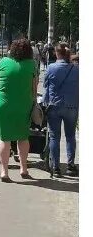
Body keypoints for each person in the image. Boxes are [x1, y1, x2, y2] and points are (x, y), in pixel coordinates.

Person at [0, 39, 37, 182]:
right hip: (23, 103)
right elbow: (34, 88)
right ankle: (23, 168)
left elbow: (0, 79)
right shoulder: (32, 65)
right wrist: (33, 101)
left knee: (4, 137)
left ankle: (4, 171)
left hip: (2, 102)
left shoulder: (3, 62)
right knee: (23, 136)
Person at [43, 43, 79, 177]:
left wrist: (44, 103)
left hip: (54, 106)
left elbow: (46, 88)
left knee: (54, 137)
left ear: (56, 54)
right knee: (70, 136)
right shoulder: (76, 69)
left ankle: (56, 168)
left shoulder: (51, 68)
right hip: (72, 106)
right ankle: (70, 166)